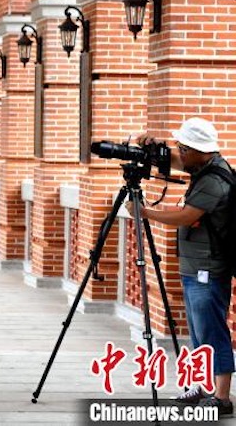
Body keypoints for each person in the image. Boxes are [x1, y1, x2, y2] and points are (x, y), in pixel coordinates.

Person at [125, 117, 233, 416]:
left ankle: (222, 398)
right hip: (195, 266)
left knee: (212, 331)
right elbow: (174, 159)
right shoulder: (202, 166)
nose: (179, 153)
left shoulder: (214, 179)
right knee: (199, 332)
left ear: (200, 150)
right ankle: (202, 385)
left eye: (184, 148)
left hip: (208, 268)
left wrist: (145, 212)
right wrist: (147, 147)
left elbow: (187, 215)